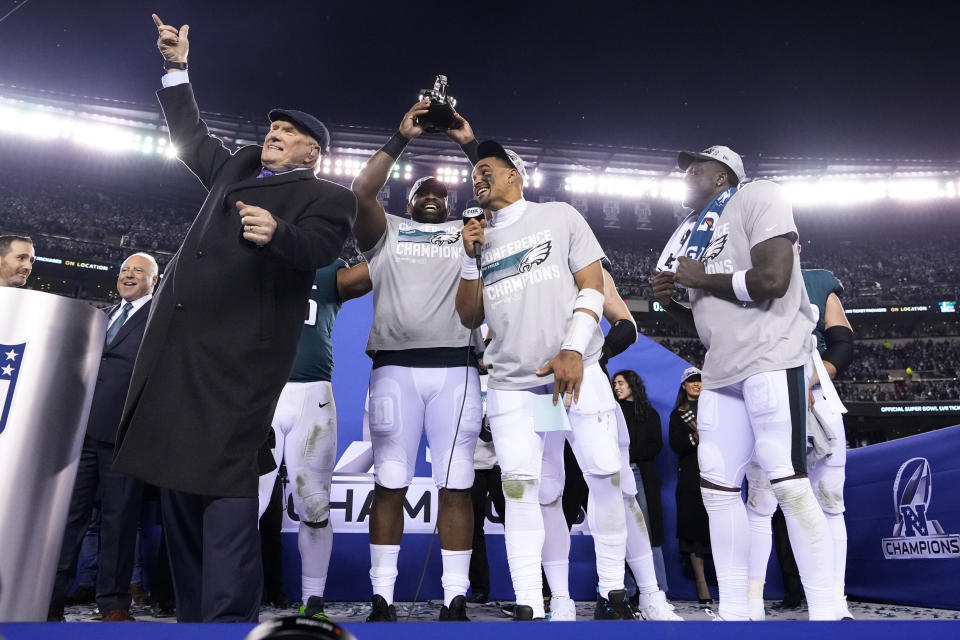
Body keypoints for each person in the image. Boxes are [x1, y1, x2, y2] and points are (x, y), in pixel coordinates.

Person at [112, 16, 357, 623]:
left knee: (225, 487)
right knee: (174, 480)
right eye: (273, 126)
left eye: (289, 130)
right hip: (177, 348)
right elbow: (190, 133)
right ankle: (194, 617)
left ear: (312, 151)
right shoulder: (235, 168)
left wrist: (278, 232)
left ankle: (227, 622)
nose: (275, 133)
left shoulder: (328, 198)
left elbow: (320, 250)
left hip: (239, 363)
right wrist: (177, 67)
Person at [651, 145, 834, 620]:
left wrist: (702, 277)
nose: (687, 172)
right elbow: (708, 312)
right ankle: (735, 613)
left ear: (722, 175)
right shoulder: (694, 229)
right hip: (720, 368)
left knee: (790, 486)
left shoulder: (758, 195)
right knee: (717, 492)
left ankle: (829, 613)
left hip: (771, 356)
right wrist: (674, 300)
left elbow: (772, 279)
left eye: (698, 166)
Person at [457, 141, 631, 621]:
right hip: (515, 384)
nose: (478, 177)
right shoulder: (476, 239)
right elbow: (469, 315)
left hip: (575, 373)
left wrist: (574, 348)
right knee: (524, 489)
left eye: (487, 169)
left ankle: (613, 591)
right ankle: (533, 600)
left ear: (515, 175)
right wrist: (470, 258)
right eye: (474, 173)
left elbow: (593, 286)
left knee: (604, 474)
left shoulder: (560, 215)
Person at [349, 101, 482, 622]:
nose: (432, 196)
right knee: (390, 483)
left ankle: (455, 597)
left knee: (457, 485)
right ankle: (382, 596)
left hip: (457, 369)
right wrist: (400, 137)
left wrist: (468, 144)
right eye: (423, 192)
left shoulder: (470, 232)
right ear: (408, 199)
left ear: (452, 204)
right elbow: (361, 191)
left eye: (441, 193)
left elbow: (508, 198)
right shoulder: (387, 233)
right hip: (394, 368)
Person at [255, 258, 371, 620]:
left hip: (313, 395)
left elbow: (381, 263)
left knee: (316, 505)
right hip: (261, 392)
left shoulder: (330, 269)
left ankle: (313, 600)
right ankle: (234, 595)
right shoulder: (255, 261)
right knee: (247, 505)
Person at [48, 253, 158, 622]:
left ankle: (112, 602)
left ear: (153, 280)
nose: (127, 275)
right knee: (69, 519)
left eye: (137, 271)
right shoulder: (104, 315)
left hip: (125, 438)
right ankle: (50, 598)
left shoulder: (159, 319)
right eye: (124, 270)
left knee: (120, 523)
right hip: (82, 437)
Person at [744, 261, 856, 620]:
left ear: (797, 245)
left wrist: (809, 380)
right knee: (762, 503)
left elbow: (842, 342)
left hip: (816, 389)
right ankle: (751, 601)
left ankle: (835, 601)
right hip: (762, 388)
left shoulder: (819, 281)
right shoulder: (742, 279)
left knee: (831, 500)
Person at [612, 370, 669, 593]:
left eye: (620, 383)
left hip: (640, 474)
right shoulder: (612, 413)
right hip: (616, 475)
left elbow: (654, 446)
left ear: (632, 385)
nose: (616, 387)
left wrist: (627, 455)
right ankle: (628, 590)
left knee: (647, 531)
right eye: (614, 383)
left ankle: (658, 589)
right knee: (620, 532)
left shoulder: (649, 414)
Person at [667, 367, 713, 605]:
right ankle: (701, 583)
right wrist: (696, 438)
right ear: (684, 386)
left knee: (718, 527)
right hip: (691, 477)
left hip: (716, 474)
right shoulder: (679, 415)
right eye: (692, 381)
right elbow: (676, 445)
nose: (697, 384)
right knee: (694, 530)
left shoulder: (714, 410)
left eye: (700, 381)